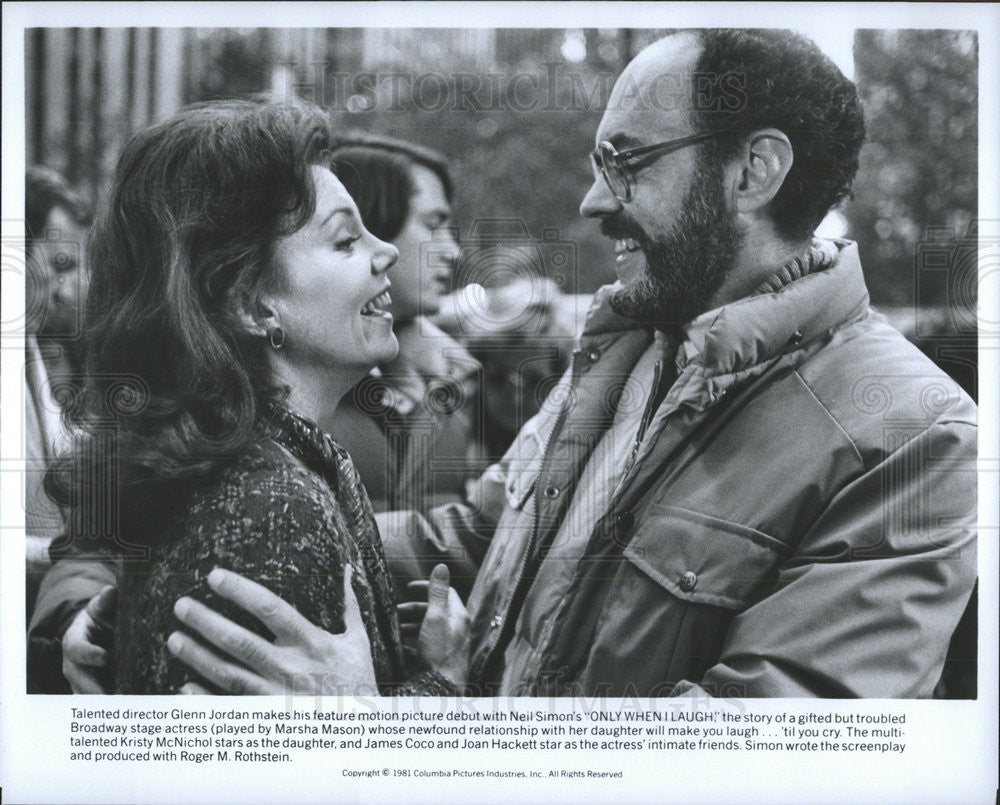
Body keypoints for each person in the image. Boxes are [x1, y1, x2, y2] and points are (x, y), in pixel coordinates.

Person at [43, 29, 978, 698]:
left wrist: (373, 741)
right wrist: (140, 591)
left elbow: (753, 763)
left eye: (627, 162)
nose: (590, 203)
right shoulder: (625, 352)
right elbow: (463, 537)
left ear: (753, 171)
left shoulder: (906, 434)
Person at [33, 97, 468, 695]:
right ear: (250, 303)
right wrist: (444, 684)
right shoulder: (273, 507)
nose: (386, 251)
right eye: (345, 241)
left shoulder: (247, 460)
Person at [327, 136, 480, 516]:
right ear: (368, 224)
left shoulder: (448, 381)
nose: (452, 250)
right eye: (433, 224)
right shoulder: (310, 388)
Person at [23, 166, 90, 628]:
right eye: (62, 265)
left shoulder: (30, 348)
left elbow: (61, 455)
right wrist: (65, 552)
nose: (74, 288)